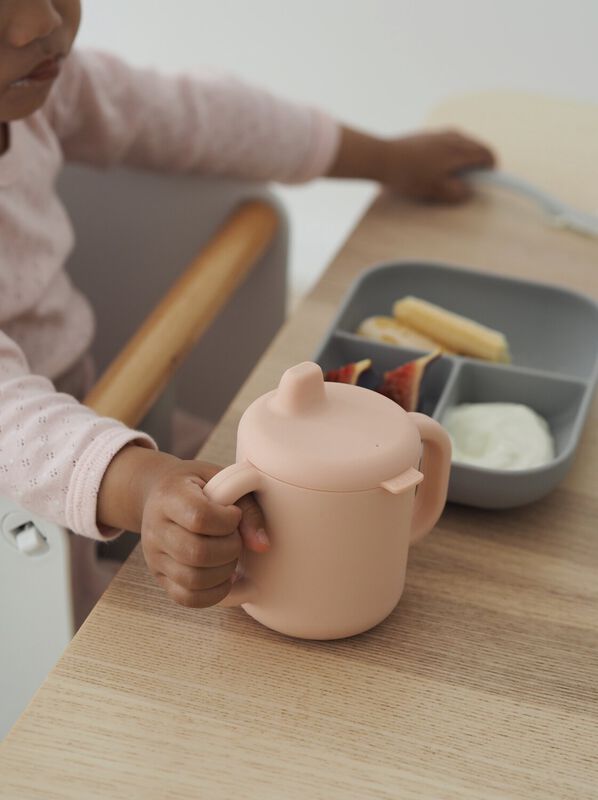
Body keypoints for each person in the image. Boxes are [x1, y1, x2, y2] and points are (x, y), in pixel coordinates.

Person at [0, 0, 495, 610]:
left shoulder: (45, 86)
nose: (42, 23)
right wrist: (141, 484)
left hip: (99, 411)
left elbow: (195, 116)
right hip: (29, 502)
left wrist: (384, 159)